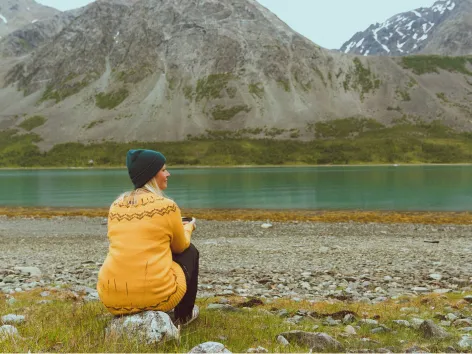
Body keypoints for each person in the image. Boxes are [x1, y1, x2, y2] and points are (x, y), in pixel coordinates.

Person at [97, 149, 200, 325]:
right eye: (163, 170)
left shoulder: (115, 206)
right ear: (152, 175)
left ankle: (127, 298)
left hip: (110, 297)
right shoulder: (167, 207)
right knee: (191, 252)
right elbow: (180, 246)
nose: (168, 174)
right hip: (158, 298)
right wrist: (188, 228)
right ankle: (184, 316)